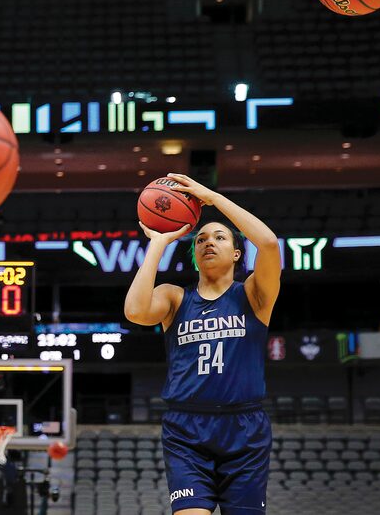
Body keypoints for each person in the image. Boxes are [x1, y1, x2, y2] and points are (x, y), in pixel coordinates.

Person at [124, 173, 281, 515]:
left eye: (220, 237)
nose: (208, 242)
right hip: (186, 429)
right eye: (200, 239)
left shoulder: (254, 295)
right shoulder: (175, 298)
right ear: (194, 254)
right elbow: (135, 312)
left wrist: (211, 197)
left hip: (244, 428)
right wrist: (158, 243)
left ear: (238, 254)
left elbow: (268, 244)